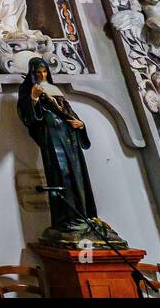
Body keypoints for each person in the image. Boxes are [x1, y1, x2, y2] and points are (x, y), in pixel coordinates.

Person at [16, 58, 98, 237]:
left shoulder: (54, 90)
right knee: (61, 176)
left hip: (69, 137)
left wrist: (81, 125)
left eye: (44, 71)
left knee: (78, 175)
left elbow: (68, 112)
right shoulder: (31, 90)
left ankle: (85, 216)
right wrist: (34, 99)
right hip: (52, 137)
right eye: (38, 72)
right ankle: (67, 219)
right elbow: (28, 117)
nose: (42, 75)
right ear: (32, 73)